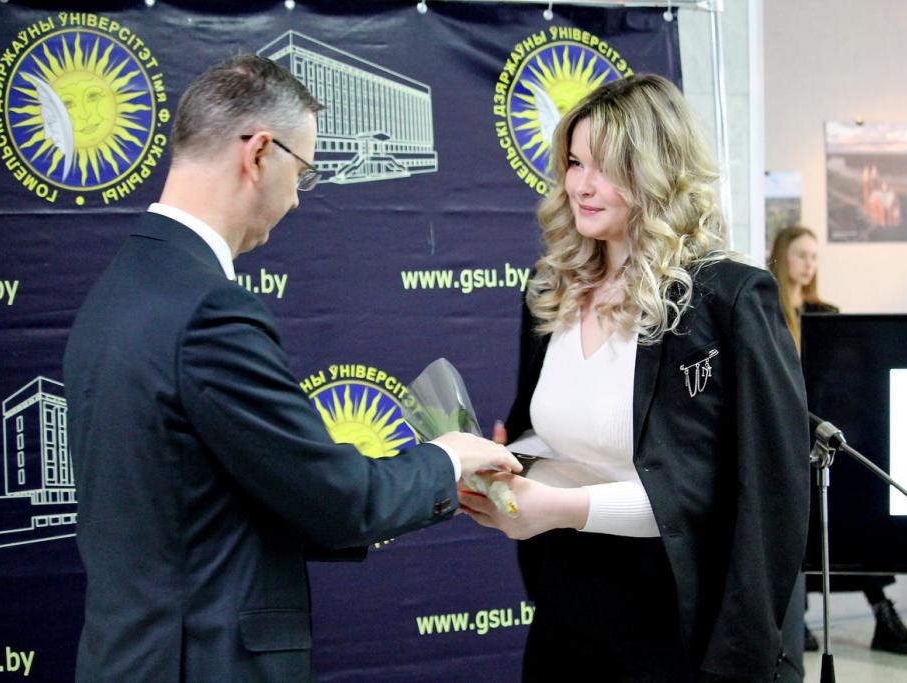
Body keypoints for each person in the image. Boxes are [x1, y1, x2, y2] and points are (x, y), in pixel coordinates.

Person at [62, 55, 519, 683]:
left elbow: (215, 502)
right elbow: (339, 501)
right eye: (302, 171)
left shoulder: (119, 289)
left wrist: (413, 489)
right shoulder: (209, 310)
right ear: (258, 153)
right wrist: (447, 460)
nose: (299, 198)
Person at [460, 74, 810, 683]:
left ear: (658, 171)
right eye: (574, 163)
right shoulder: (552, 289)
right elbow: (556, 431)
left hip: (676, 617)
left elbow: (740, 487)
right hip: (567, 608)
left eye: (606, 167)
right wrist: (512, 461)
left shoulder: (726, 299)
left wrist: (560, 506)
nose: (581, 185)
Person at [768, 225, 907, 655]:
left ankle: (882, 612)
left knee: (848, 521)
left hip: (822, 432)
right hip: (782, 434)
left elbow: (844, 377)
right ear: (782, 256)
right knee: (794, 527)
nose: (809, 264)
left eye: (814, 257)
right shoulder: (767, 312)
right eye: (801, 255)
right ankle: (798, 619)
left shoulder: (824, 313)